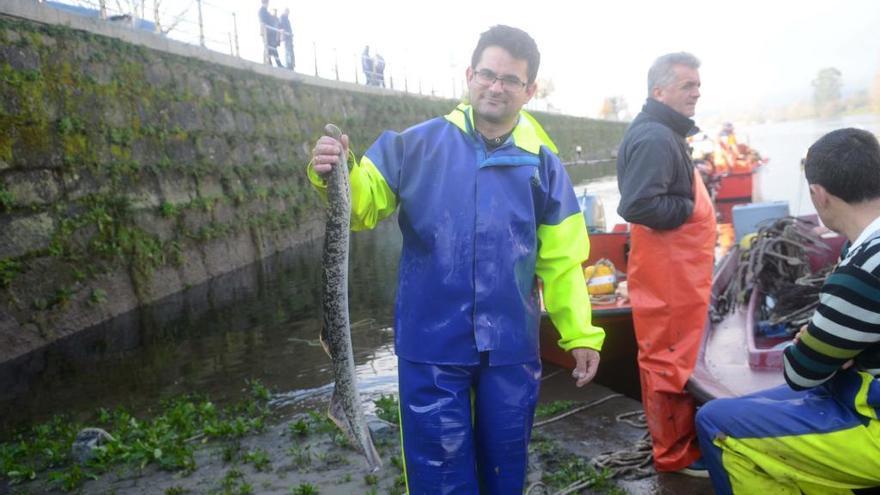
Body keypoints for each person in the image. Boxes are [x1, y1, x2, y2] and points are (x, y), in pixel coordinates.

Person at [308, 25, 604, 494]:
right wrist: (336, 172)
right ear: (469, 74)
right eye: (487, 74)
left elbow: (563, 261)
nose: (495, 86)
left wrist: (580, 333)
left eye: (510, 80)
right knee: (438, 479)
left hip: (510, 347)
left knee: (505, 474)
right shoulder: (413, 145)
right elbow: (362, 207)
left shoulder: (544, 164)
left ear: (529, 91)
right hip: (430, 346)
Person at [695, 128, 880, 494]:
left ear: (818, 195)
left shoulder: (861, 271)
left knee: (714, 422)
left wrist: (814, 344)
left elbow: (801, 371)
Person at [616, 52, 715, 477]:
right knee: (667, 361)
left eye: (697, 85)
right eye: (686, 86)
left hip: (678, 276)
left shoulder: (664, 133)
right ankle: (675, 455)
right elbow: (637, 204)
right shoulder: (657, 137)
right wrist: (691, 205)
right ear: (659, 91)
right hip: (668, 278)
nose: (696, 92)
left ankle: (679, 442)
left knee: (674, 358)